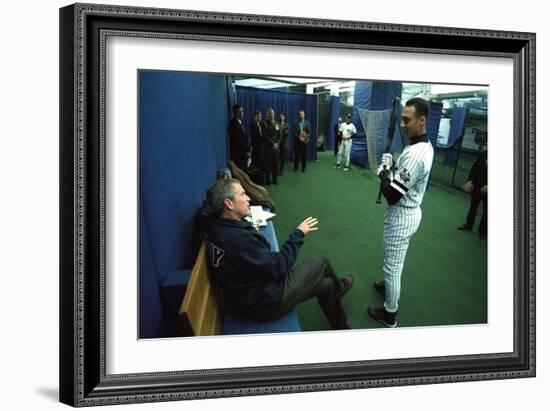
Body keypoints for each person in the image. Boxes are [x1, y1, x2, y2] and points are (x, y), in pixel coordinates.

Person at [204, 177, 353, 330]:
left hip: (247, 295)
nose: (248, 198)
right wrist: (298, 233)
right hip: (263, 303)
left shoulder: (214, 223)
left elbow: (206, 211)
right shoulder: (238, 239)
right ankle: (340, 288)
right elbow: (279, 266)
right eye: (242, 194)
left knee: (327, 285)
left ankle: (341, 326)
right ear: (228, 203)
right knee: (321, 262)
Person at [367, 97, 434, 328]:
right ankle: (387, 285)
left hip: (402, 214)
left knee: (392, 267)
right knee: (394, 261)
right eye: (402, 119)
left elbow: (392, 194)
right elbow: (403, 179)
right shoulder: (419, 145)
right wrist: (393, 166)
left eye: (407, 120)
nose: (403, 124)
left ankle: (389, 314)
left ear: (422, 120)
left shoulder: (416, 153)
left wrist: (384, 171)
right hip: (408, 211)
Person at [458, 150, 487, 239]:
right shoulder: (485, 153)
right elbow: (474, 168)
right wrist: (470, 181)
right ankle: (468, 224)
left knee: (487, 210)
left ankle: (483, 231)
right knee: (473, 206)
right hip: (477, 185)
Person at [228, 104, 250, 172]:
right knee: (242, 171)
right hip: (239, 155)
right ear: (236, 113)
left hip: (243, 153)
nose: (242, 113)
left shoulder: (239, 123)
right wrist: (248, 149)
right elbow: (239, 141)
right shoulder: (234, 124)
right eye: (240, 112)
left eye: (242, 111)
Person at [262, 108, 281, 185]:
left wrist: (277, 144)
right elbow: (265, 136)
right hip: (268, 148)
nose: (271, 115)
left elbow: (280, 135)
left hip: (276, 148)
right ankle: (267, 180)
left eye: (272, 113)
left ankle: (275, 179)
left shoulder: (277, 124)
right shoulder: (264, 123)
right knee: (268, 165)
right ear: (267, 115)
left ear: (274, 114)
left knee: (276, 164)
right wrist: (273, 143)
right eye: (269, 113)